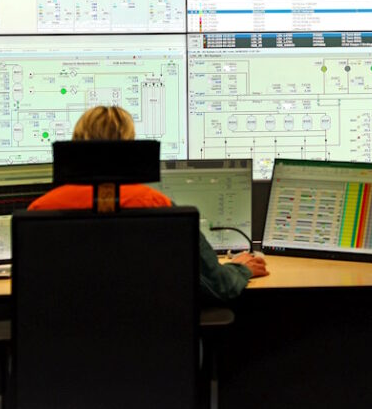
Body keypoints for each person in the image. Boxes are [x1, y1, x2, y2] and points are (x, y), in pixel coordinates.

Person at [29, 105, 268, 301]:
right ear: (131, 148)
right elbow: (218, 285)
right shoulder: (159, 207)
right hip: (155, 342)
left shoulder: (41, 210)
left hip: (61, 343)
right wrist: (241, 268)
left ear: (75, 145)